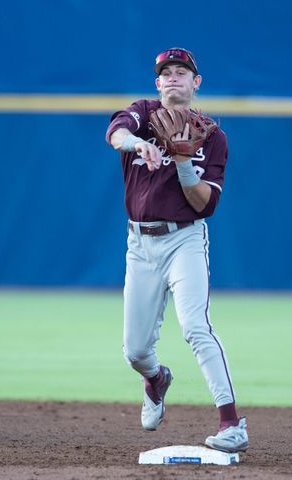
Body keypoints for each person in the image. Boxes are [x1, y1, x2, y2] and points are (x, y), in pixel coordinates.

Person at [105, 47, 248, 452]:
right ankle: (156, 378)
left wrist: (184, 162)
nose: (172, 77)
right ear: (157, 83)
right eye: (165, 72)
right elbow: (115, 134)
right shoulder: (142, 112)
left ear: (196, 82)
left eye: (181, 72)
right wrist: (137, 144)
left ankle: (231, 424)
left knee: (195, 327)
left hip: (184, 238)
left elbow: (206, 205)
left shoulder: (212, 136)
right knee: (134, 351)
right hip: (139, 243)